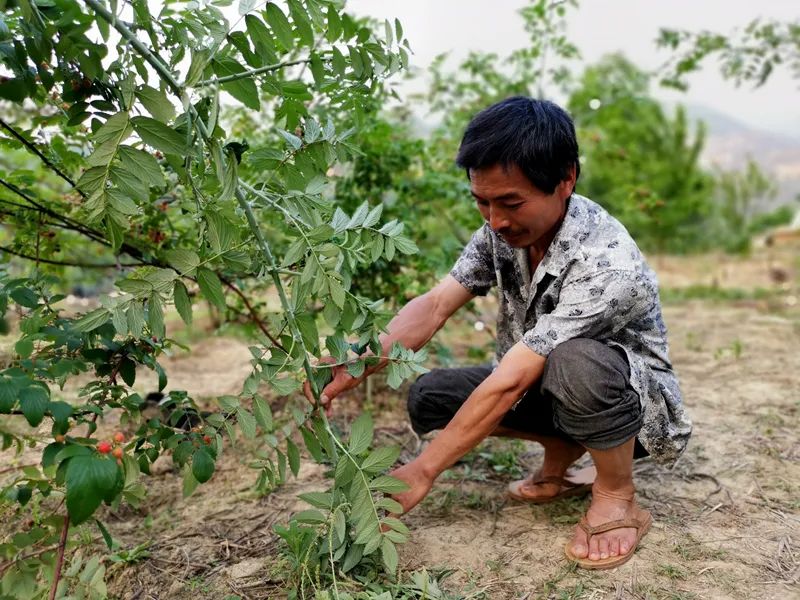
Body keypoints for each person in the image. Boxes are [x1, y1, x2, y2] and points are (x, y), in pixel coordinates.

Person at [307, 97, 692, 569]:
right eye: (482, 202)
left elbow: (513, 377)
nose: (496, 219)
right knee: (430, 397)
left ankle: (616, 491)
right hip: (544, 384)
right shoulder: (500, 232)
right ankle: (563, 446)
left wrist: (424, 470)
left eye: (511, 202)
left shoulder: (609, 263)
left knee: (576, 362)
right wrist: (356, 363)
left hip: (629, 409)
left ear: (566, 179)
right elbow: (434, 305)